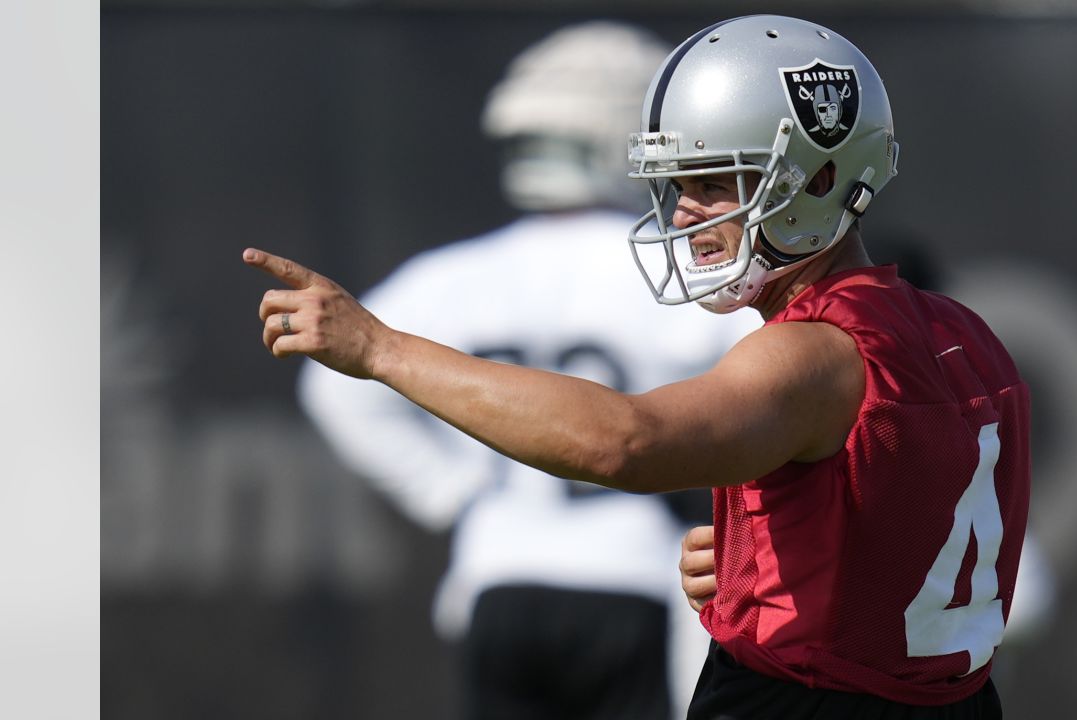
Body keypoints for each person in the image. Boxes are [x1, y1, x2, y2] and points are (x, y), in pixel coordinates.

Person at [245, 15, 1029, 719]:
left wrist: (381, 348)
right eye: (674, 186)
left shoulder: (813, 352)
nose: (686, 214)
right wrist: (760, 558)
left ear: (819, 179)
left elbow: (622, 442)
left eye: (712, 180)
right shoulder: (965, 335)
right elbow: (900, 538)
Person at [294, 21, 757, 720]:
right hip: (634, 576)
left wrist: (458, 490)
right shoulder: (686, 273)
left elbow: (332, 385)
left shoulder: (450, 276)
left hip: (498, 574)